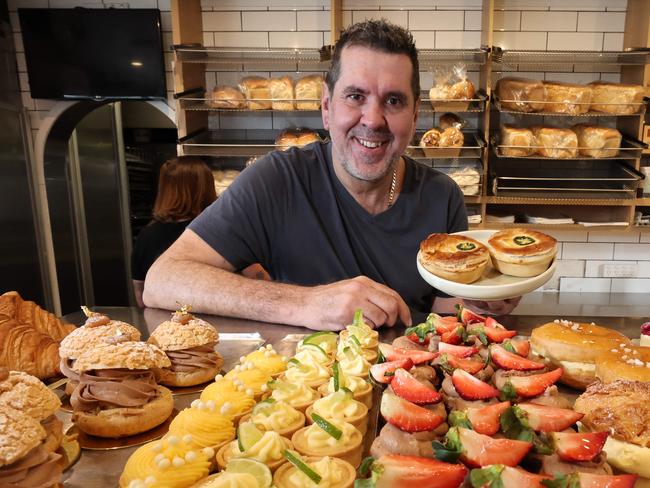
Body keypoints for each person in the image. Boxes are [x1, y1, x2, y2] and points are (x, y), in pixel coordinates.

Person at [143, 20, 519, 329]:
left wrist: (484, 302)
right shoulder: (277, 181)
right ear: (326, 107)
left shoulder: (441, 196)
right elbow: (163, 280)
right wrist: (304, 303)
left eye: (393, 100)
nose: (372, 120)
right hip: (301, 398)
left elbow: (445, 309)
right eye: (355, 96)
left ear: (416, 113)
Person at [131, 156, 217, 307]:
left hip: (164, 323)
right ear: (205, 189)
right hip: (212, 321)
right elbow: (254, 278)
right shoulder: (215, 230)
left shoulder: (147, 235)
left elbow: (140, 293)